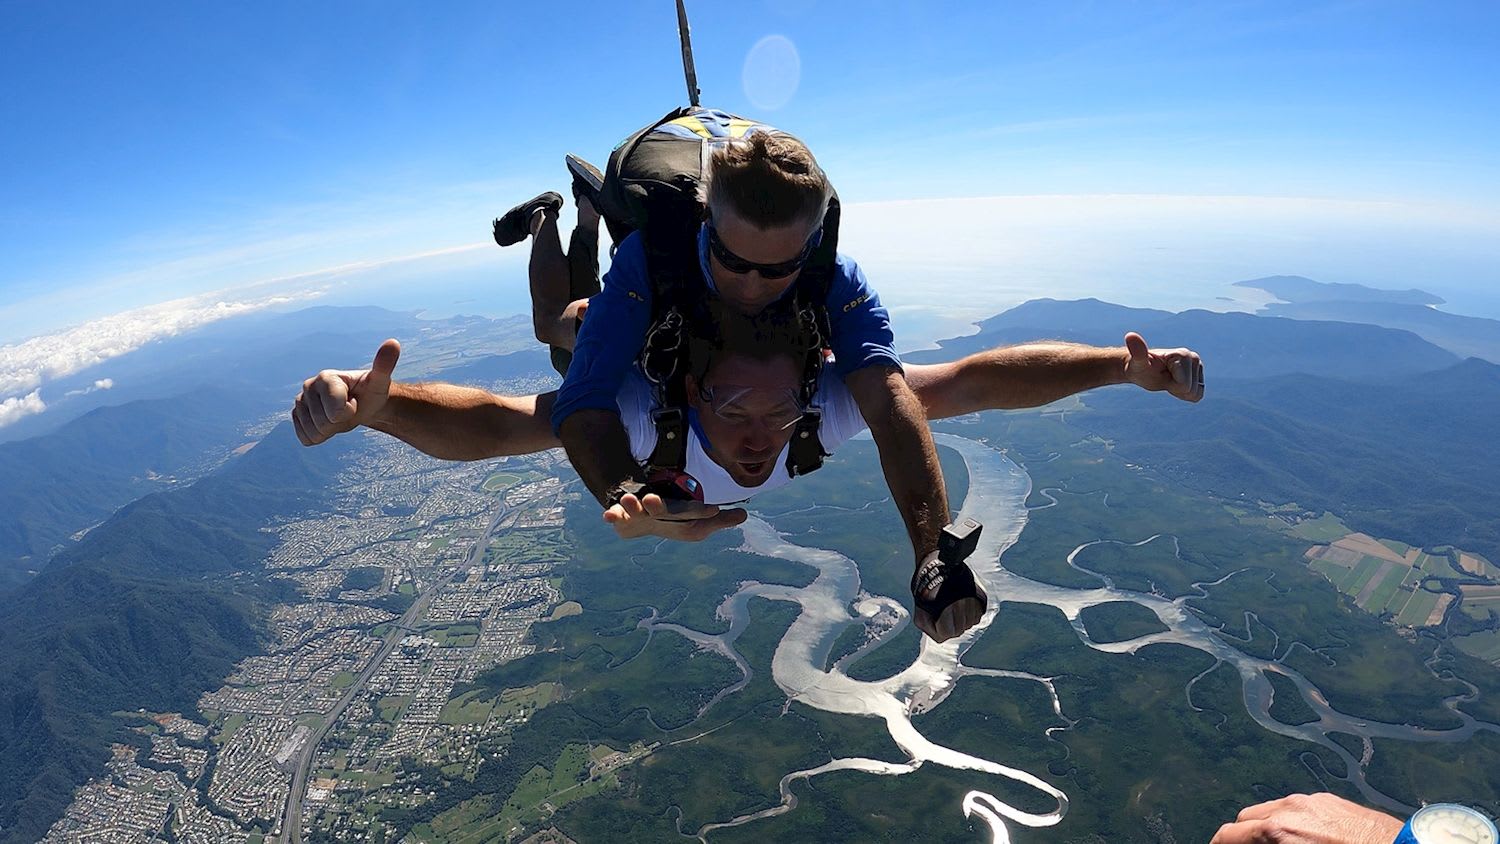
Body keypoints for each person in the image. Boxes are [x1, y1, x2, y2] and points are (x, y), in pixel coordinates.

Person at [291, 324, 1205, 641]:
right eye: (734, 411)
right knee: (565, 328)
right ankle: (560, 244)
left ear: (808, 391)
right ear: (691, 394)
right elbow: (500, 422)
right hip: (624, 348)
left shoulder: (825, 402)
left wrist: (1121, 368)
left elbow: (973, 382)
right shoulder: (643, 406)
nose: (761, 438)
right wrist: (382, 408)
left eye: (780, 411)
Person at [493, 108, 957, 625]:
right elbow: (584, 400)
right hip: (651, 323)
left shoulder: (835, 278)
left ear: (809, 248)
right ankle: (547, 217)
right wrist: (628, 491)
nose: (752, 286)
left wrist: (933, 554)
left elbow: (889, 402)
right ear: (706, 223)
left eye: (779, 269)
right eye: (733, 261)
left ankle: (588, 209)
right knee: (555, 326)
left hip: (675, 329)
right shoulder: (652, 257)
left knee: (571, 329)